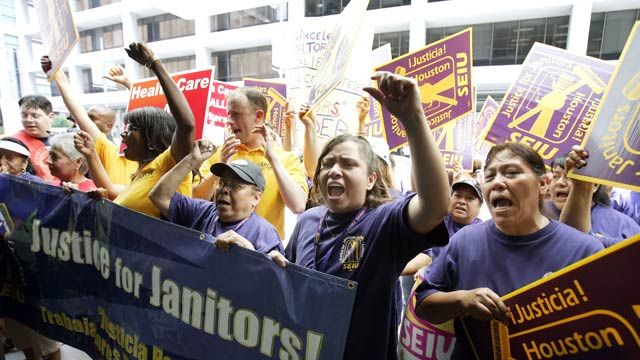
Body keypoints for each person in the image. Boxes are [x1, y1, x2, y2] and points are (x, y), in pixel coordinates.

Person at [270, 72, 451, 359]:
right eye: (327, 163)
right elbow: (291, 284)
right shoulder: (307, 220)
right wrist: (254, 261)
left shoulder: (384, 222)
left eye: (348, 163)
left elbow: (435, 206)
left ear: (370, 179)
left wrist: (413, 120)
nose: (334, 170)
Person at [414, 143, 604, 359]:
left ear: (543, 183)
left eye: (511, 173)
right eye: (489, 176)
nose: (497, 183)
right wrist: (462, 300)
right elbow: (424, 304)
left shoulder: (584, 252)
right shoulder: (464, 241)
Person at [72, 42, 195, 218]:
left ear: (151, 137)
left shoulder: (169, 165)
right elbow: (112, 189)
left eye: (131, 129)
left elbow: (186, 125)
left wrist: (154, 64)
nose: (123, 134)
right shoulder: (140, 176)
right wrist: (91, 154)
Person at [194, 88, 308, 239]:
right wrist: (219, 168)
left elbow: (298, 205)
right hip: (221, 247)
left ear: (258, 116)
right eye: (228, 114)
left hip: (263, 252)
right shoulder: (221, 153)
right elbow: (195, 199)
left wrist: (273, 160)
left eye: (236, 114)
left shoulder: (285, 159)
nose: (229, 120)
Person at [149, 139, 283, 254]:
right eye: (222, 183)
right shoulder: (202, 211)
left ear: (256, 198)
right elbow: (159, 196)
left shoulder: (265, 235)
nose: (224, 189)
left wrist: (250, 254)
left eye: (235, 185)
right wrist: (191, 161)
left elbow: (276, 282)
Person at [42, 56, 138, 186]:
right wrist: (57, 74)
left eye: (137, 128)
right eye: (128, 127)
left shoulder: (164, 162)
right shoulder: (111, 154)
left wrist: (130, 84)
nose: (126, 132)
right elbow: (79, 114)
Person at [544, 151, 640, 246]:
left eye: (570, 177)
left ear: (594, 185)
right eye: (555, 176)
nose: (560, 182)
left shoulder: (624, 225)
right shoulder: (538, 213)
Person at [10, 95, 57, 183]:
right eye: (24, 115)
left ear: (50, 117)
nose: (28, 120)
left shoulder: (60, 141)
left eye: (35, 116)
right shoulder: (14, 143)